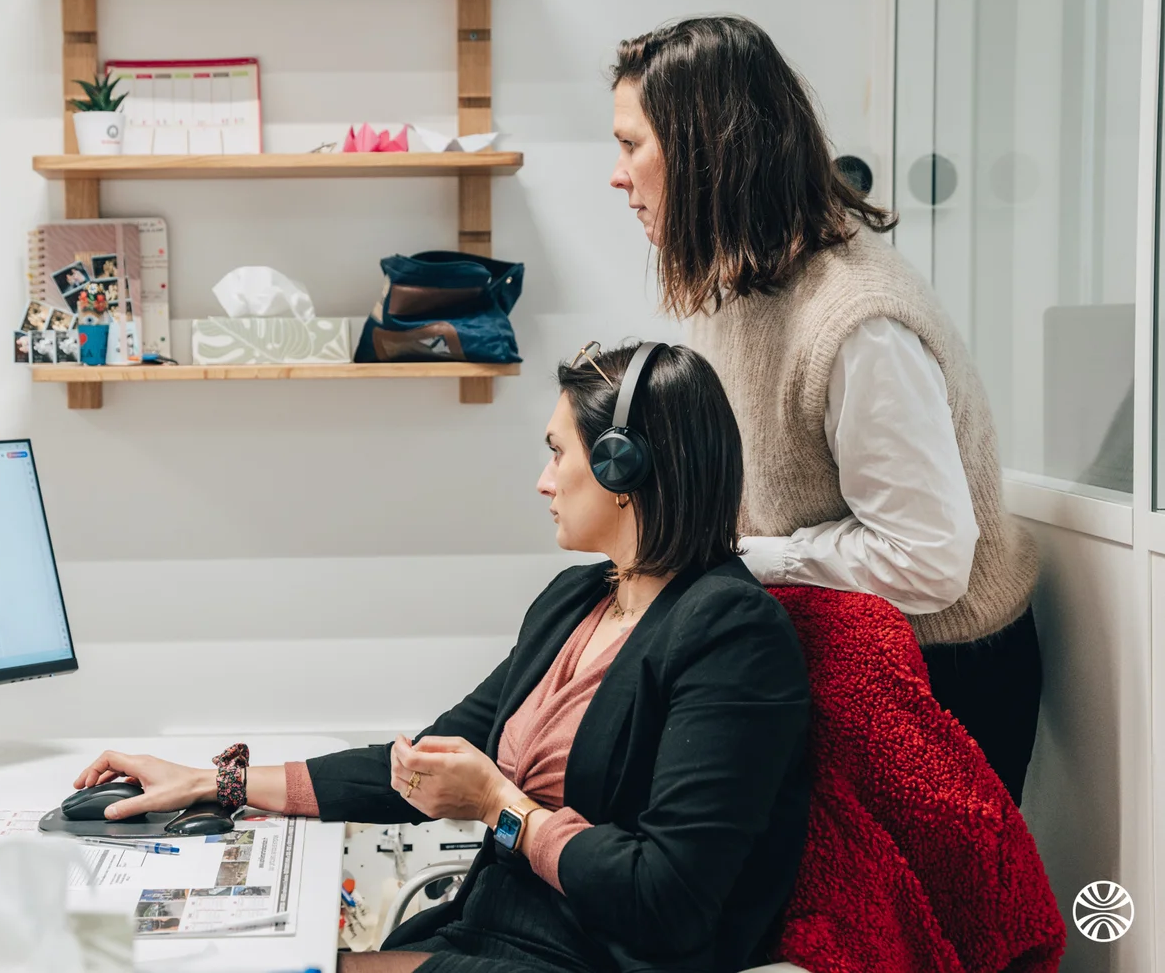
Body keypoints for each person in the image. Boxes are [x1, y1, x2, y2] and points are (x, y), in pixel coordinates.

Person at [76, 342, 812, 973]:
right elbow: (420, 764)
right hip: (497, 930)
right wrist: (219, 783)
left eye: (558, 453)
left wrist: (500, 806)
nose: (543, 480)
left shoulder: (731, 634)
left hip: (593, 955)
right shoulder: (577, 600)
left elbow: (669, 900)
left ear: (623, 468)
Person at [607, 16, 1041, 804]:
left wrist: (759, 559)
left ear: (707, 150)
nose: (617, 175)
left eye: (632, 145)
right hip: (840, 649)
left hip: (941, 676)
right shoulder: (729, 284)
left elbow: (927, 560)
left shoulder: (856, 321)